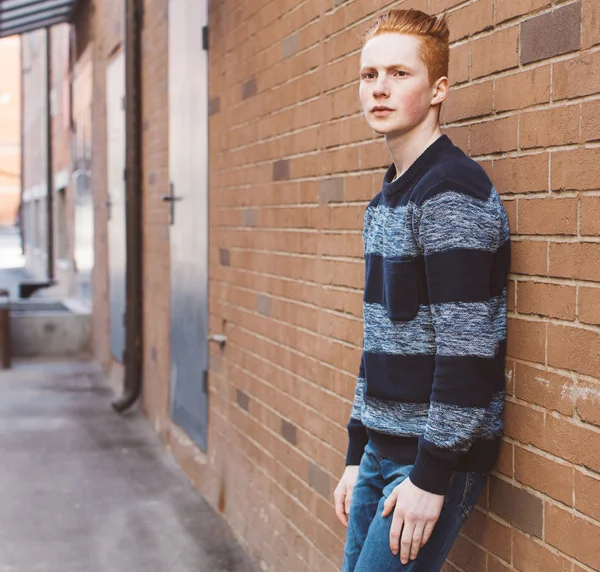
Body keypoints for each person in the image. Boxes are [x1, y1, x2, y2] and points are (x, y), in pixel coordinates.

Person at [333, 9, 510, 572]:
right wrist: (356, 454)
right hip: (382, 451)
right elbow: (379, 339)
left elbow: (469, 352)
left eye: (399, 74)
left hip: (431, 460)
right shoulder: (386, 199)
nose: (379, 88)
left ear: (438, 89)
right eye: (368, 75)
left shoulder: (450, 192)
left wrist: (431, 477)